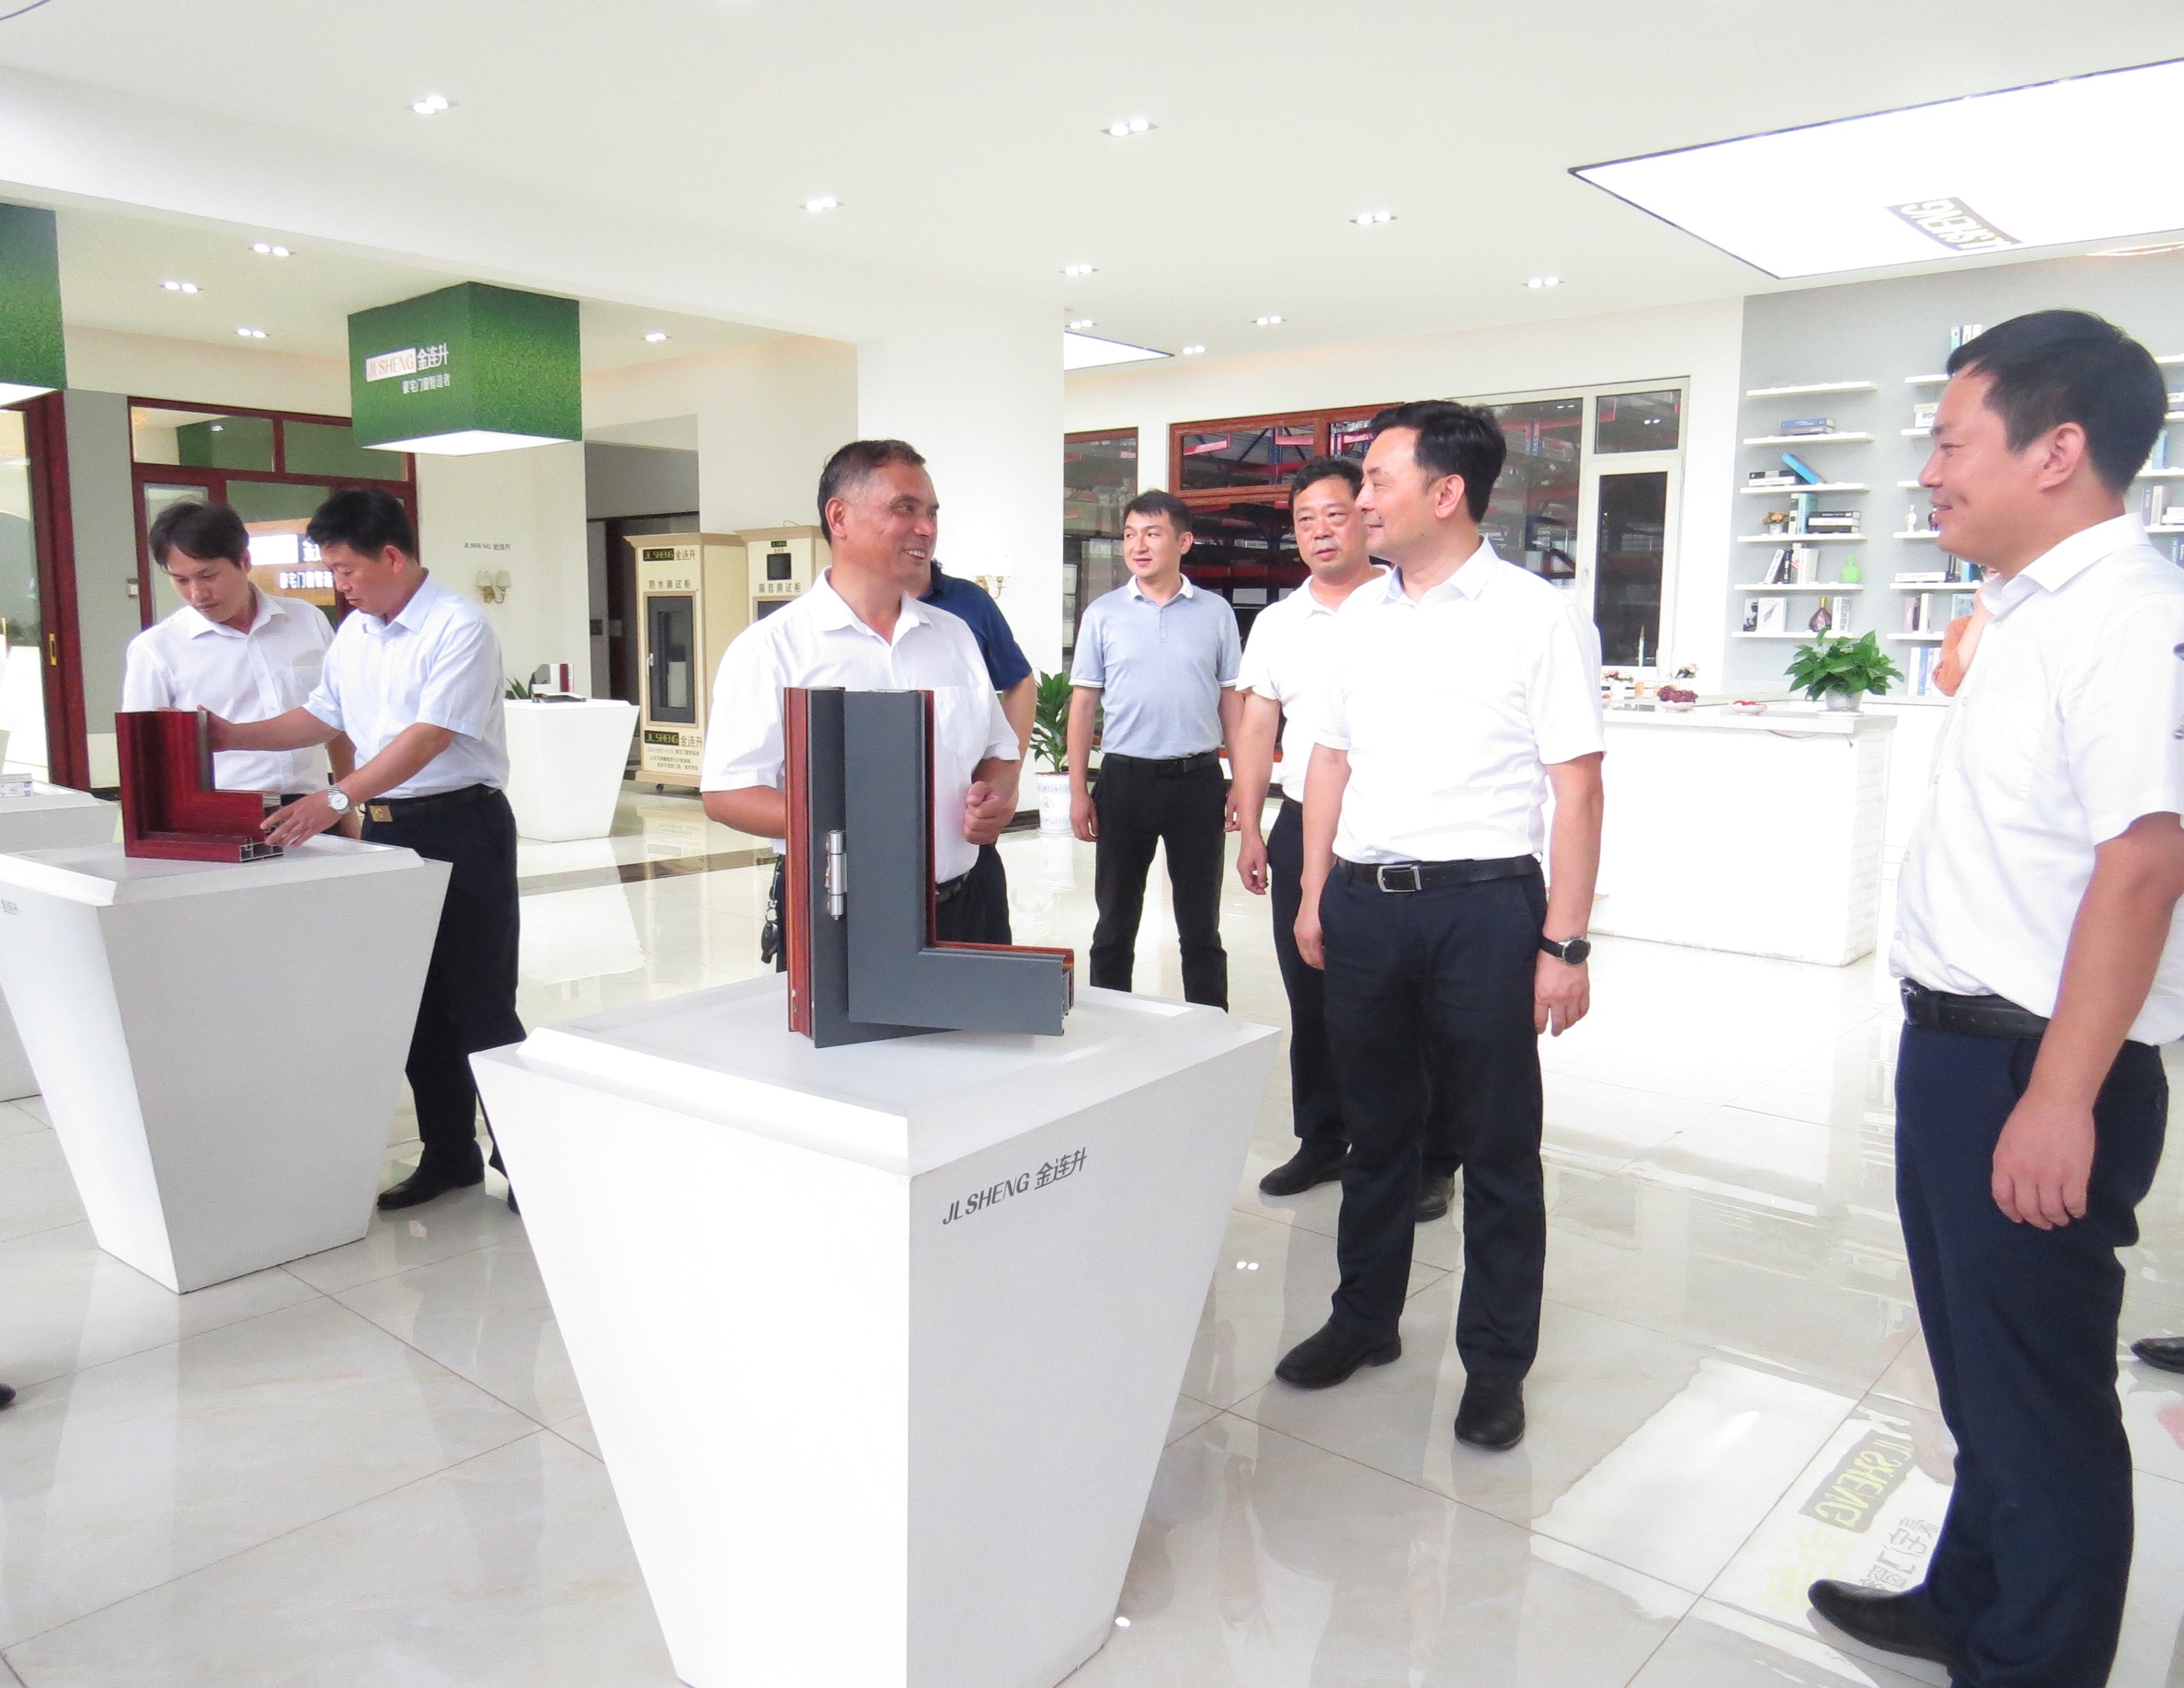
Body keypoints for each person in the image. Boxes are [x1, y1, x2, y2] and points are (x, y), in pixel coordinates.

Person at [1805, 311, 2184, 1688]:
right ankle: (1965, 1599)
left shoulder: (2131, 617)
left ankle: (2035, 1663)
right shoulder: (2028, 609)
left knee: (2039, 1399)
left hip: (2037, 1065)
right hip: (1960, 1049)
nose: (1927, 472)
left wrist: (2060, 1098)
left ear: (2056, 449)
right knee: (1975, 1370)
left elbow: (2143, 864)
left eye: (1950, 442)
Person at [1271, 401, 1604, 1458]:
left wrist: (1562, 944)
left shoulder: (1533, 614)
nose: (1358, 499)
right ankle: (1362, 1318)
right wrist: (1314, 891)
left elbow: (1576, 786)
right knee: (1375, 1133)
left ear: (1446, 492)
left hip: (1483, 907)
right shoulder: (1358, 617)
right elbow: (1327, 759)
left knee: (1495, 1144)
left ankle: (1494, 1365)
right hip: (1366, 901)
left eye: (1377, 479)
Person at [208, 487, 524, 1213]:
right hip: (387, 832)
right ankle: (449, 1155)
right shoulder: (356, 633)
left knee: (480, 1004)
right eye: (332, 572)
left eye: (346, 570)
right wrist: (231, 734)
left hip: (461, 825)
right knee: (414, 1003)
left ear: (391, 556)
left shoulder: (458, 626)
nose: (339, 586)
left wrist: (334, 798)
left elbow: (428, 736)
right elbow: (323, 715)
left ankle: (524, 1159)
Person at [1230, 456, 1464, 1221]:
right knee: (1312, 993)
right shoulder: (1278, 622)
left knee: (1408, 1006)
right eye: (1304, 520)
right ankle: (1323, 1137)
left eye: (1335, 513)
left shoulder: (1410, 607)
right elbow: (1257, 726)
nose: (1320, 531)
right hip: (1302, 821)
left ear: (1364, 518)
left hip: (1392, 833)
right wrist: (1251, 825)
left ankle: (1429, 1157)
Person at [703, 439, 1019, 949]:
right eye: (904, 508)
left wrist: (993, 799)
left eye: (932, 512)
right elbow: (728, 794)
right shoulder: (772, 648)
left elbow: (999, 749)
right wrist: (847, 826)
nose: (926, 528)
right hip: (841, 915)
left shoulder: (954, 635)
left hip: (967, 904)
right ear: (840, 517)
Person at [1068, 491, 1241, 1009]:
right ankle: (1109, 1025)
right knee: (1114, 923)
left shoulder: (1215, 613)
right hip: (1125, 781)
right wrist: (1078, 790)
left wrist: (1241, 783)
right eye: (1129, 535)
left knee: (1201, 926)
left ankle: (1210, 1029)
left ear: (1183, 542)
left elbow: (1232, 704)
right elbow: (1083, 705)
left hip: (1199, 781)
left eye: (1152, 533)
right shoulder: (1103, 614)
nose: (1137, 546)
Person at [123, 500, 357, 808]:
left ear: (244, 560)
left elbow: (338, 722)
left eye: (208, 576)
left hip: (313, 807)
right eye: (181, 580)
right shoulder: (156, 649)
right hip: (222, 813)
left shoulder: (307, 620)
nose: (197, 594)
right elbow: (143, 759)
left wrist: (344, 806)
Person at [901, 554, 1035, 941]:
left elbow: (1019, 681)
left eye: (930, 521)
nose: (921, 529)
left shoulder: (966, 609)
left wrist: (1006, 779)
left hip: (965, 841)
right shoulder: (799, 634)